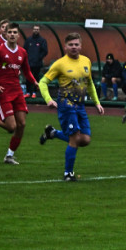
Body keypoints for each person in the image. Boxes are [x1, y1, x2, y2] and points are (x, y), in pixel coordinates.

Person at [38, 32, 104, 181]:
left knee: (85, 140)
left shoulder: (86, 61)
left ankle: (53, 133)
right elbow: (43, 82)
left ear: (81, 46)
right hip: (66, 104)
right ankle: (68, 173)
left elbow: (90, 83)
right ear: (65, 47)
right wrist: (48, 99)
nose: (74, 47)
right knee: (74, 138)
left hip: (80, 105)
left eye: (76, 44)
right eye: (71, 45)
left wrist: (97, 102)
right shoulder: (60, 64)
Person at [0, 22, 39, 164]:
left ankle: (9, 155)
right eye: (10, 32)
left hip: (17, 91)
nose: (12, 35)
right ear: (6, 34)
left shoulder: (22, 52)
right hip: (3, 92)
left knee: (21, 124)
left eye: (15, 32)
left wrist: (34, 82)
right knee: (11, 127)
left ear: (19, 35)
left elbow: (26, 71)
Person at [24, 24, 49, 95]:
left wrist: (39, 57)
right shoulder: (28, 40)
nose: (36, 30)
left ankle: (35, 92)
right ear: (33, 30)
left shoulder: (42, 40)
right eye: (35, 29)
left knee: (36, 77)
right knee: (28, 77)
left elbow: (45, 51)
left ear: (39, 30)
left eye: (37, 29)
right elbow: (24, 50)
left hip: (37, 63)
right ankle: (28, 92)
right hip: (29, 62)